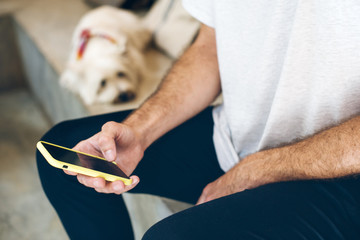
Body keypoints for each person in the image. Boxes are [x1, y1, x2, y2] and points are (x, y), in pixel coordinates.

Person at [37, 1, 360, 239]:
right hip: (238, 135)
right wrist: (140, 131)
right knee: (62, 155)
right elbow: (208, 49)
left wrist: (260, 169)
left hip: (344, 172)